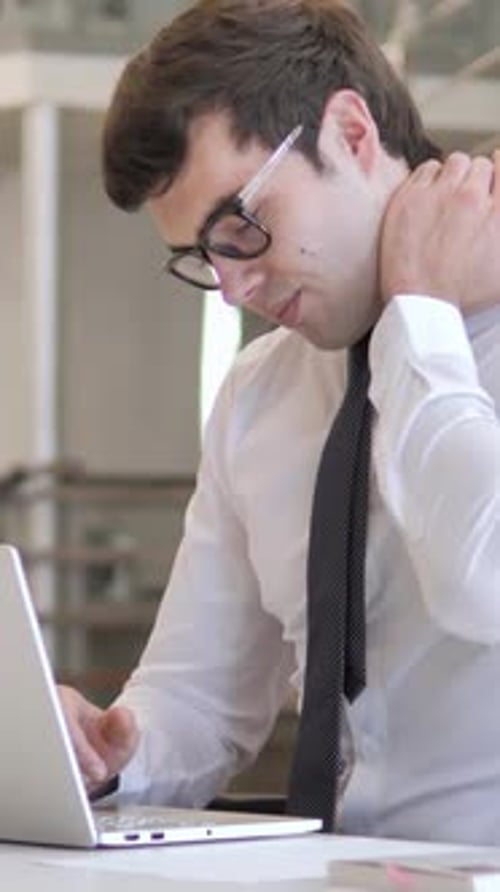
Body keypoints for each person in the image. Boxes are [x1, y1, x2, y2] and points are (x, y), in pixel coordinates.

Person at [59, 0, 500, 844]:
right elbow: (201, 693)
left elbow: (486, 579)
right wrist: (117, 749)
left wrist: (421, 316)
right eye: (202, 254)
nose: (231, 290)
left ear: (352, 133)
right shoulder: (260, 393)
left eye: (241, 229)